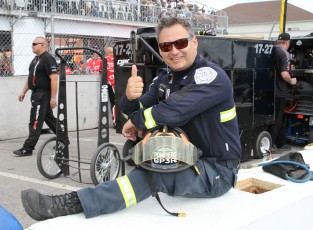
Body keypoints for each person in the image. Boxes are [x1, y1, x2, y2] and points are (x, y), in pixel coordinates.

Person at [20, 17, 241, 220]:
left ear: (194, 42)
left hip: (217, 170)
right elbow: (137, 108)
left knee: (155, 174)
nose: (174, 51)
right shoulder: (167, 77)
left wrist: (137, 121)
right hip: (186, 157)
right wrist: (128, 97)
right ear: (161, 50)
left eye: (180, 43)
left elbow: (174, 110)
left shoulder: (211, 77)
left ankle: (69, 204)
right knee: (139, 155)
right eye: (166, 46)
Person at [13, 37, 58, 156]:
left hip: (43, 94)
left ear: (43, 45)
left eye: (34, 44)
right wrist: (23, 91)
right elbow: (30, 78)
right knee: (49, 119)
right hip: (36, 93)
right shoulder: (35, 60)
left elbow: (54, 78)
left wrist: (53, 98)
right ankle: (64, 138)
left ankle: (28, 148)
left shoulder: (48, 59)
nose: (32, 46)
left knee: (35, 121)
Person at [271, 32, 297, 151]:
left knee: (273, 118)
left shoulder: (272, 50)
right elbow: (284, 74)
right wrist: (292, 81)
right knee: (278, 119)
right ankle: (272, 145)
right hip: (280, 91)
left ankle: (280, 143)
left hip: (268, 91)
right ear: (288, 42)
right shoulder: (284, 54)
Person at [104, 46, 116, 126]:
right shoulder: (117, 59)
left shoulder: (104, 59)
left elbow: (100, 71)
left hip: (110, 84)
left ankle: (115, 122)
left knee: (113, 103)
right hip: (120, 83)